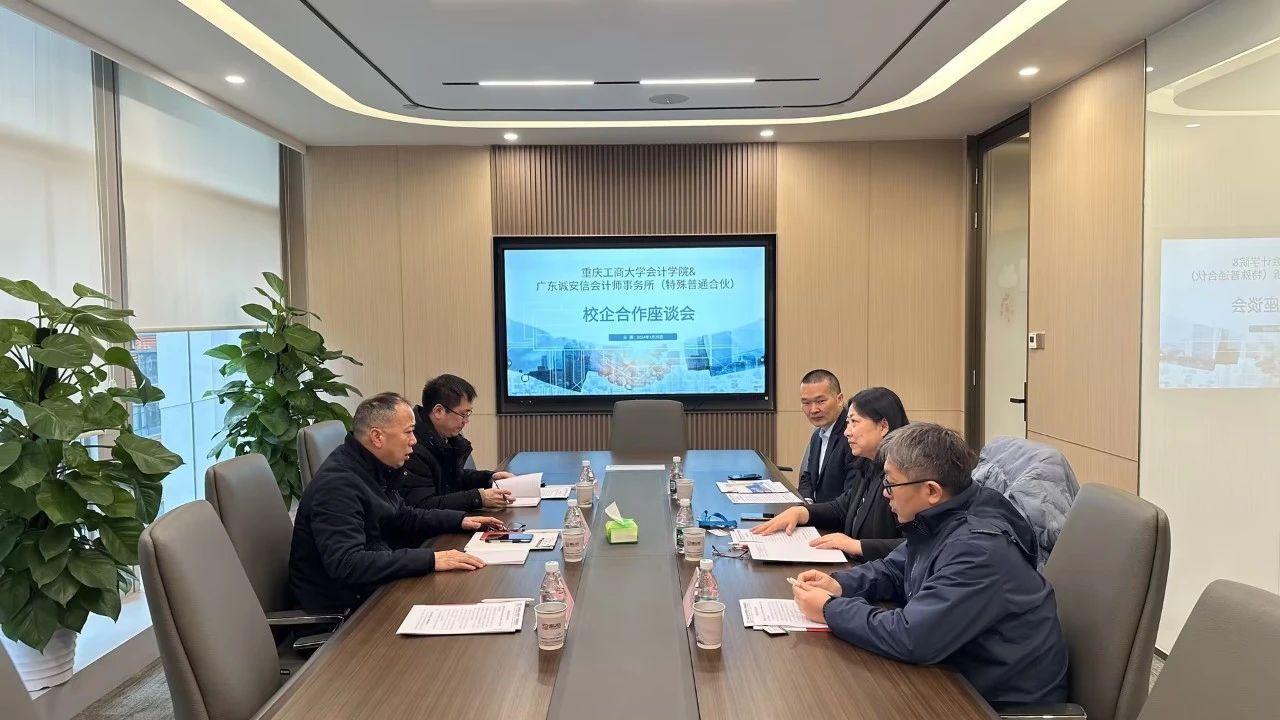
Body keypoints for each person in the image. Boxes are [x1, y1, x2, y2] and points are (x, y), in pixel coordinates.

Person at [790, 423, 1069, 705]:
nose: (885, 493)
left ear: (932, 491)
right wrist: (839, 584)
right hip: (956, 673)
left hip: (994, 702)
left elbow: (910, 637)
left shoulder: (978, 549)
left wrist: (829, 609)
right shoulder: (943, 516)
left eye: (890, 483)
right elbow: (894, 569)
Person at [288, 392, 505, 613]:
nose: (414, 440)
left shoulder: (372, 466)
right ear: (377, 437)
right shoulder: (337, 486)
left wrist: (460, 521)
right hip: (348, 614)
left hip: (374, 591)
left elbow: (403, 515)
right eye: (408, 432)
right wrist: (430, 559)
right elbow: (348, 563)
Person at [754, 387, 907, 561]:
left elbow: (920, 544)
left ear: (883, 426)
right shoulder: (867, 465)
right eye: (847, 422)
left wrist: (857, 546)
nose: (847, 431)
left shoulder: (905, 477)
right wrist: (801, 512)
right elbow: (841, 508)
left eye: (854, 422)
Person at [401, 374, 516, 511]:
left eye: (468, 414)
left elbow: (454, 480)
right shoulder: (412, 447)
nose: (466, 421)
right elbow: (422, 505)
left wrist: (489, 478)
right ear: (438, 411)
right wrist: (478, 498)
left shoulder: (443, 437)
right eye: (463, 414)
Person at [796, 369, 857, 504]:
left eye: (821, 401)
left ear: (839, 399)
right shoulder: (817, 434)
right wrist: (807, 502)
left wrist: (809, 512)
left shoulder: (852, 436)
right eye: (806, 403)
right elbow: (808, 476)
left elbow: (850, 499)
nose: (813, 410)